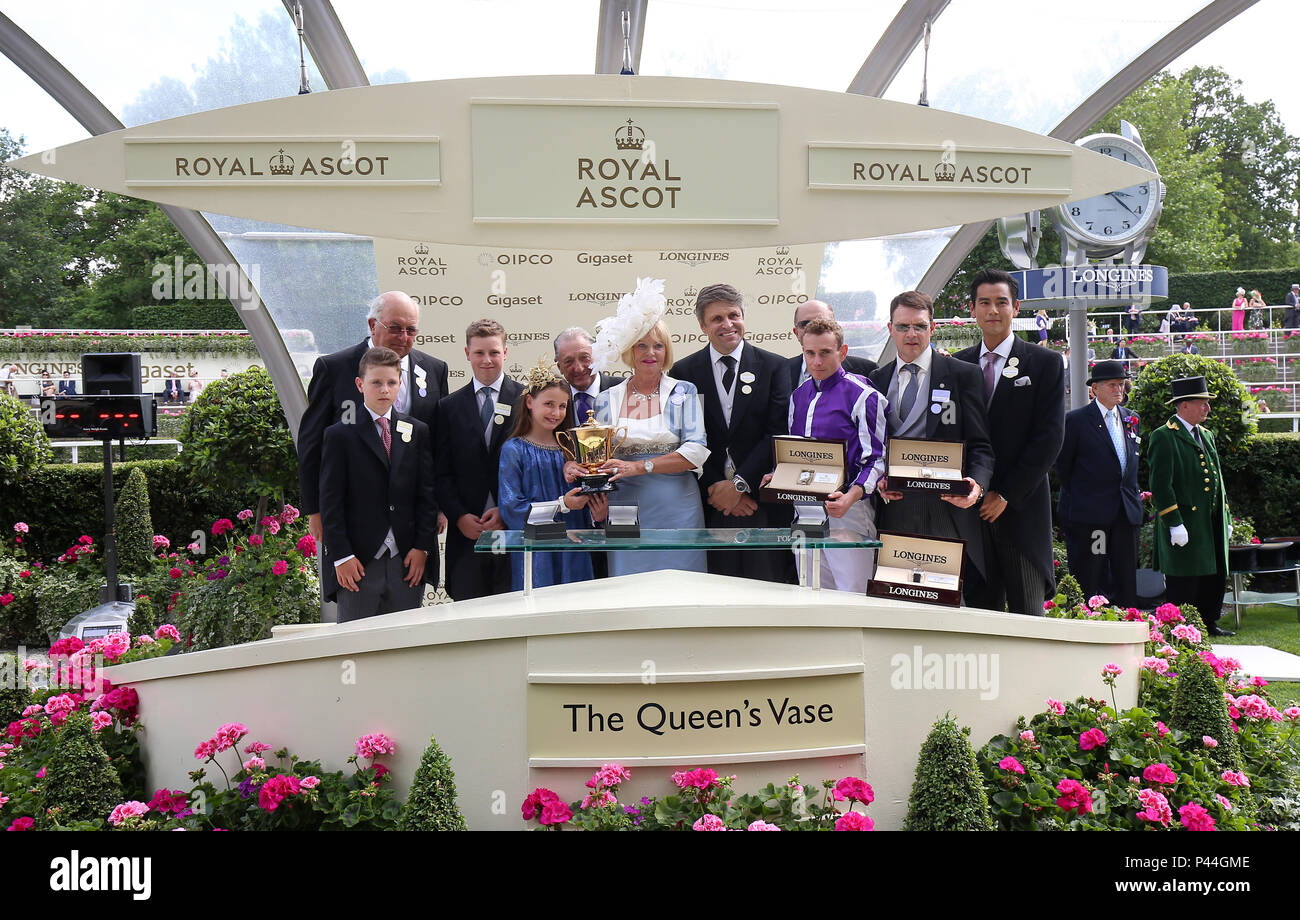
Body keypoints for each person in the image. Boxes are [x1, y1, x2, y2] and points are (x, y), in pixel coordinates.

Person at [298, 291, 450, 551]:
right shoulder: (334, 368)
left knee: (408, 589)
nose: (404, 338)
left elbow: (441, 445)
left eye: (411, 330)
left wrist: (440, 504)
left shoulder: (435, 369)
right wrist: (315, 509)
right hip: (353, 518)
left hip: (413, 519)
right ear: (372, 325)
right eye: (395, 328)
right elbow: (311, 443)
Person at [953, 269, 1065, 616]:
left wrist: (1006, 494)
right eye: (984, 302)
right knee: (980, 613)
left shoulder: (1044, 363)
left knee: (1028, 615)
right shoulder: (958, 364)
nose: (993, 310)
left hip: (1021, 508)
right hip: (971, 509)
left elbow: (1049, 438)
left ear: (1016, 308)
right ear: (972, 309)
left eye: (1001, 302)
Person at [871, 291, 993, 604]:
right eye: (902, 327)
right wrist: (878, 479)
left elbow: (981, 444)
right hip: (895, 508)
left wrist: (976, 486)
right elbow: (873, 447)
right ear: (890, 328)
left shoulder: (963, 375)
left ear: (932, 328)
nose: (911, 334)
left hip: (947, 509)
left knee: (949, 605)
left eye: (919, 326)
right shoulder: (876, 379)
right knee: (899, 600)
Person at [671, 283, 795, 582]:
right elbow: (683, 437)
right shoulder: (683, 372)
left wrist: (739, 485)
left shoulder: (775, 366)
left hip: (761, 499)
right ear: (702, 325)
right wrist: (717, 486)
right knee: (715, 585)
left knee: (767, 586)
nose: (727, 324)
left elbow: (776, 432)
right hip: (710, 501)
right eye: (717, 319)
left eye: (733, 315)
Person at [587, 278, 710, 576]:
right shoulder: (605, 400)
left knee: (682, 586)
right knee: (629, 587)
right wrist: (595, 500)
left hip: (678, 507)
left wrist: (638, 467)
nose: (650, 352)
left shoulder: (685, 391)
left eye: (658, 345)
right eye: (641, 345)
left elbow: (695, 451)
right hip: (624, 509)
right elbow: (596, 463)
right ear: (630, 350)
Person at [319, 346, 437, 622]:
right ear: (360, 385)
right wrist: (342, 556)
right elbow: (331, 502)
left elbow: (426, 495)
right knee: (358, 646)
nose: (385, 389)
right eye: (376, 383)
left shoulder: (417, 431)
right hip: (358, 563)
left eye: (391, 383)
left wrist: (422, 548)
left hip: (406, 562)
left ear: (400, 384)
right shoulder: (339, 435)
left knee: (404, 644)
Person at [780, 317, 887, 592]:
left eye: (825, 353)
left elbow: (875, 459)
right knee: (810, 592)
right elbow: (795, 455)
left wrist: (851, 496)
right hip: (805, 510)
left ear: (843, 352)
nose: (817, 361)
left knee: (852, 595)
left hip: (848, 510)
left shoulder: (864, 396)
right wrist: (778, 475)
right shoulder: (798, 396)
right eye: (810, 353)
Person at [497, 358, 607, 591]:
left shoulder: (574, 450)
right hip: (536, 554)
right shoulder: (514, 450)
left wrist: (598, 516)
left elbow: (587, 501)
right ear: (529, 401)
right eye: (549, 404)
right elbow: (511, 508)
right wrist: (562, 505)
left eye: (562, 406)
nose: (556, 413)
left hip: (574, 550)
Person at [434, 318, 523, 601]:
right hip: (466, 535)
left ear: (506, 353)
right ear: (467, 354)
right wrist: (458, 516)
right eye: (480, 353)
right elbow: (441, 472)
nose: (487, 360)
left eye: (494, 352)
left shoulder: (526, 400)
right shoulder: (448, 407)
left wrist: (506, 511)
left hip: (512, 531)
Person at [1145, 375, 1232, 636]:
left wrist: (1226, 516)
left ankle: (1209, 621)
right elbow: (1161, 485)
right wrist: (1174, 523)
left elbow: (1218, 477)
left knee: (1213, 574)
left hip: (1211, 519)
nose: (1207, 408)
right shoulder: (1164, 436)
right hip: (1186, 520)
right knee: (1186, 577)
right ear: (1183, 406)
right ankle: (1181, 626)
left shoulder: (1206, 434)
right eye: (1202, 403)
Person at [1056, 361, 1142, 608]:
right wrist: (1086, 497)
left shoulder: (1131, 419)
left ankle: (1127, 620)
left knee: (1126, 575)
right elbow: (1064, 467)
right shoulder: (1076, 421)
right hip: (1092, 514)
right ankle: (1090, 620)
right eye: (1113, 385)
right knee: (1091, 572)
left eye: (1122, 384)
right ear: (1095, 388)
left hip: (1125, 513)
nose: (1119, 390)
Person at [785, 300, 876, 390]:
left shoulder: (867, 371)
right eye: (806, 324)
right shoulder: (780, 372)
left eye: (823, 322)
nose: (815, 328)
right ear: (796, 332)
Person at [554, 326, 619, 424]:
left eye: (584, 358)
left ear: (597, 356)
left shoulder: (623, 390)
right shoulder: (552, 401)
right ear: (559, 367)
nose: (579, 368)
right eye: (569, 361)